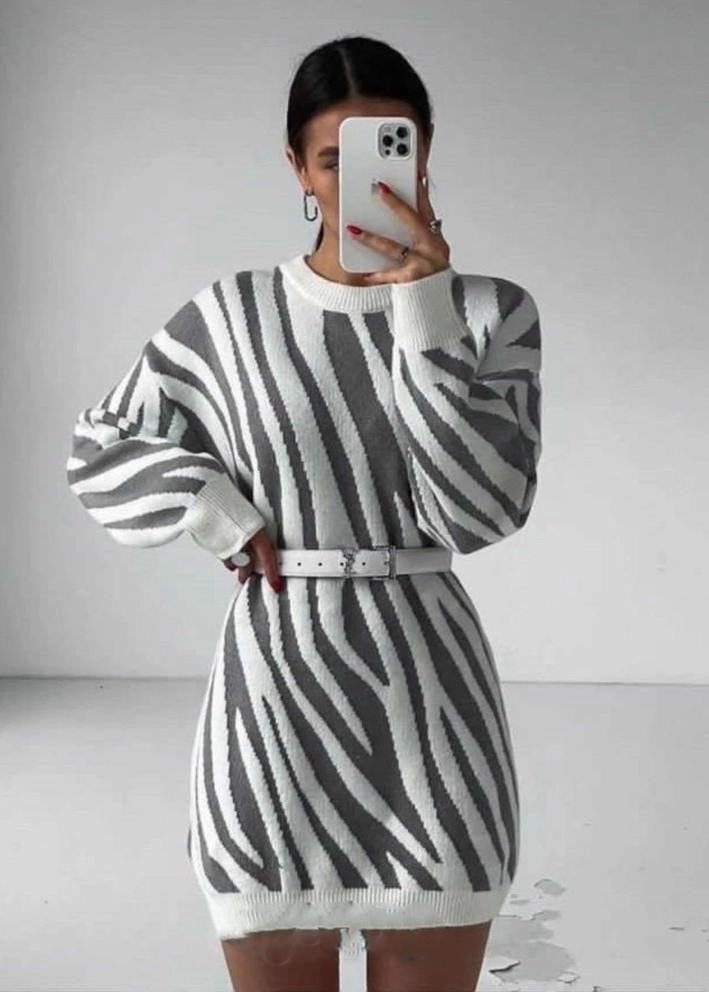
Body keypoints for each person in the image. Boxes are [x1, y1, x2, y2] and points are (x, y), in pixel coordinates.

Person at [66, 34, 542, 992]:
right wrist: (213, 507)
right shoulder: (230, 316)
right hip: (273, 702)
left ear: (424, 150)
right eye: (333, 158)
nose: (360, 178)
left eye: (392, 148)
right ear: (297, 167)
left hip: (432, 714)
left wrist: (423, 310)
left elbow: (478, 511)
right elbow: (100, 445)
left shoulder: (493, 313)